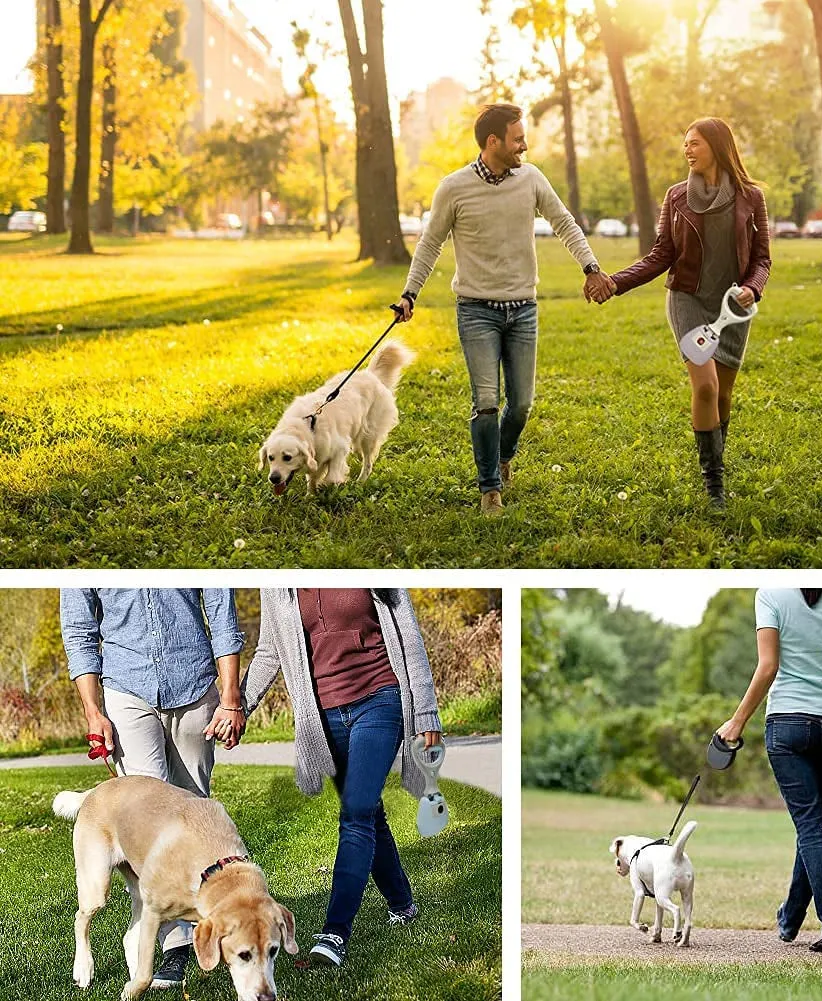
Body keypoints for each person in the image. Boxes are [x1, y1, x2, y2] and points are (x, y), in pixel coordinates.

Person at [394, 103, 615, 517]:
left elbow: (565, 223)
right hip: (476, 310)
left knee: (523, 403)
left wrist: (591, 268)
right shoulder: (454, 187)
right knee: (486, 402)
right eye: (517, 139)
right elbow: (429, 244)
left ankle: (503, 453)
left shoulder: (530, 178)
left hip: (523, 310)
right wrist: (410, 294)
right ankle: (490, 489)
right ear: (492, 142)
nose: (524, 146)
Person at [229, 588, 442, 970]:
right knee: (369, 814)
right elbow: (269, 652)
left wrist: (426, 711)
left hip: (381, 697)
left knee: (356, 811)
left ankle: (334, 934)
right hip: (324, 715)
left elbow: (408, 635)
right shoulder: (277, 585)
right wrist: (238, 706)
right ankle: (402, 904)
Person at [60, 588, 245, 988]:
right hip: (126, 688)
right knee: (148, 819)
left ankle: (208, 923)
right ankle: (174, 946)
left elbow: (220, 608)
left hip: (194, 684)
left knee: (196, 812)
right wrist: (94, 711)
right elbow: (79, 629)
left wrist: (231, 696)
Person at [597, 117, 771, 509]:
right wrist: (615, 282)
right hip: (688, 300)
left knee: (724, 393)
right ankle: (714, 483)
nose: (687, 150)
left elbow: (762, 259)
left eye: (694, 143)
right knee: (706, 387)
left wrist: (752, 288)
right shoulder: (676, 197)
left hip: (733, 307)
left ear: (716, 145)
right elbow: (662, 255)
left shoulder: (751, 197)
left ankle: (717, 459)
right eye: (685, 144)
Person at [716, 587, 822, 953]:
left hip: (788, 723)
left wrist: (737, 722)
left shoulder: (770, 594)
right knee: (814, 825)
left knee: (810, 827)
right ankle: (789, 919)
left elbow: (768, 665)